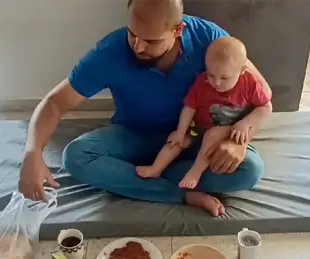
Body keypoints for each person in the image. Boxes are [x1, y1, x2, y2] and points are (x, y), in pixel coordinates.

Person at [18, 0, 272, 217]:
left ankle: (145, 176)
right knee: (75, 156)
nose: (138, 46)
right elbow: (54, 102)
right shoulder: (109, 52)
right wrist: (31, 154)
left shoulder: (211, 38)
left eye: (151, 40)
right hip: (135, 135)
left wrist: (239, 138)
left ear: (178, 30)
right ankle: (181, 192)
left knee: (250, 169)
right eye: (132, 34)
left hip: (197, 137)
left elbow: (260, 96)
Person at [135, 37, 272, 190]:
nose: (217, 83)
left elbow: (265, 107)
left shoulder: (249, 84)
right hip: (198, 128)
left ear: (242, 71)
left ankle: (195, 172)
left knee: (213, 136)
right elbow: (189, 108)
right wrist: (180, 133)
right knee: (175, 142)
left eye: (225, 78)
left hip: (227, 133)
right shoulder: (202, 82)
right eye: (211, 75)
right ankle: (155, 169)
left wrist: (246, 123)